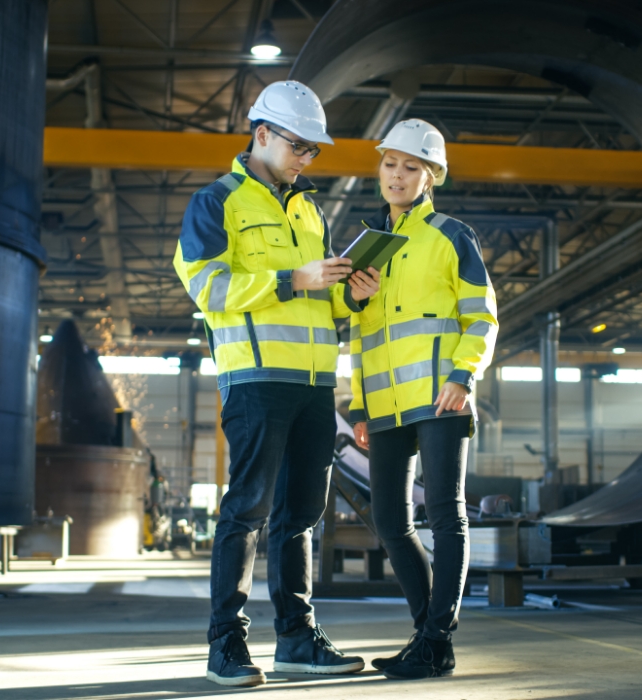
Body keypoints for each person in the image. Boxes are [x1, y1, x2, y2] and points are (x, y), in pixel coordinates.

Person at [174, 80, 380, 688]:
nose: (306, 158)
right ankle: (226, 647)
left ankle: (296, 639)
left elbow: (315, 305)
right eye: (299, 145)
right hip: (257, 381)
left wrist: (347, 295)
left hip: (316, 386)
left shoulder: (308, 210)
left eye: (314, 150)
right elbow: (211, 291)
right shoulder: (216, 204)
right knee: (247, 511)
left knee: (301, 516)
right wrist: (295, 276)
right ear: (261, 133)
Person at [348, 119, 499, 680]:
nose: (397, 175)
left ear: (431, 176)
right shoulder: (368, 246)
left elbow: (480, 315)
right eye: (390, 164)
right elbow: (360, 332)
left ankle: (435, 638)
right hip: (385, 405)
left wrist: (463, 376)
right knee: (389, 518)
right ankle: (427, 635)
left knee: (445, 516)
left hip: (441, 397)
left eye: (411, 167)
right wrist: (360, 404)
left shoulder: (452, 236)